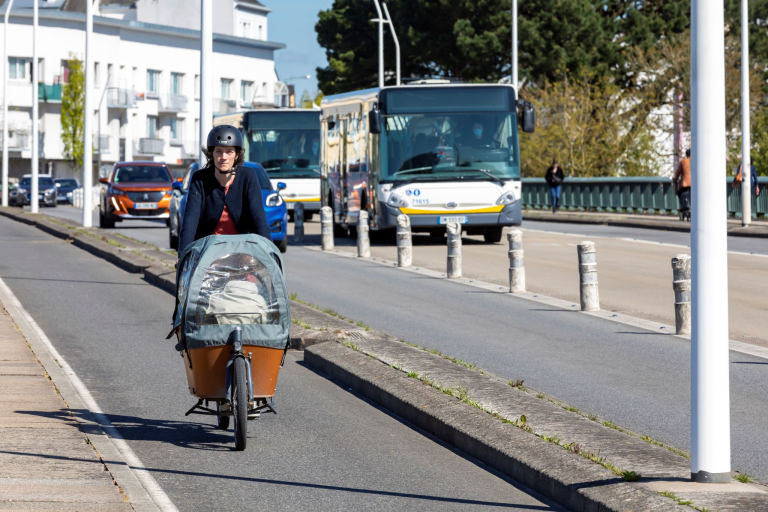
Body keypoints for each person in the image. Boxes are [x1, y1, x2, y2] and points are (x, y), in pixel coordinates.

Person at [178, 124, 270, 255]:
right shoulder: (200, 179)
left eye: (229, 152)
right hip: (208, 253)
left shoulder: (248, 177)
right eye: (219, 151)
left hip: (242, 253)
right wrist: (183, 255)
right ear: (212, 154)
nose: (224, 157)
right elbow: (190, 222)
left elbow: (259, 219)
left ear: (237, 155)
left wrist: (269, 252)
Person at [672, 149, 691, 220]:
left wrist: (675, 179)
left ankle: (685, 209)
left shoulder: (683, 162)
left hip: (685, 184)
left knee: (681, 194)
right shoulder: (697, 161)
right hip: (695, 185)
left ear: (686, 154)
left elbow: (677, 173)